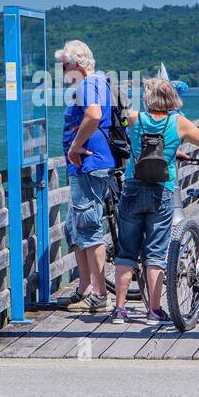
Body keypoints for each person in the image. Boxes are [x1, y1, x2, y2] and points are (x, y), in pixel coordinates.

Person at [113, 77, 199, 325]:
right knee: (155, 253)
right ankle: (153, 311)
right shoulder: (179, 123)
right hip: (161, 190)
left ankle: (120, 311)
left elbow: (135, 137)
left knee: (127, 253)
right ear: (172, 99)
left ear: (149, 98)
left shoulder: (135, 118)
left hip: (133, 188)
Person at [56, 40, 115, 313]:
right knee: (75, 226)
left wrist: (76, 145)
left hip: (89, 164)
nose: (62, 71)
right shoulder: (96, 82)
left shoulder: (88, 85)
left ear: (77, 65)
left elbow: (93, 115)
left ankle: (100, 294)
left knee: (89, 226)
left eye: (64, 65)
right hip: (85, 166)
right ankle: (85, 287)